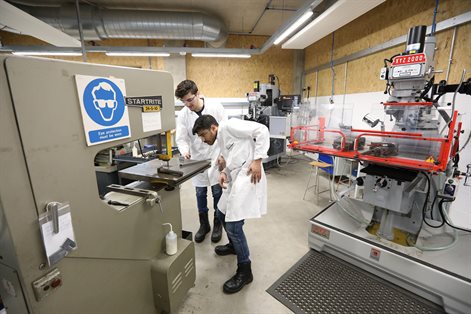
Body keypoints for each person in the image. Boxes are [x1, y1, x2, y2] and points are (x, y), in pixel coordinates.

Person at [192, 114, 269, 294]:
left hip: (248, 175)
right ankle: (235, 247)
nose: (203, 140)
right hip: (235, 177)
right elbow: (233, 155)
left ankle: (245, 270)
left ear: (213, 128)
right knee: (221, 213)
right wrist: (224, 171)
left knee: (234, 226)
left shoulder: (229, 126)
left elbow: (262, 130)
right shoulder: (220, 139)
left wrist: (258, 160)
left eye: (204, 135)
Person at [175, 80, 227, 243]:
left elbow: (225, 132)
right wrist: (185, 151)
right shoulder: (183, 114)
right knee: (200, 194)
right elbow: (181, 138)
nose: (187, 104)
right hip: (197, 160)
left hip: (216, 156)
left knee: (217, 193)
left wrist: (224, 154)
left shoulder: (216, 107)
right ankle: (204, 225)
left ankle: (217, 224)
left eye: (190, 100)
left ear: (198, 94)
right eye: (183, 101)